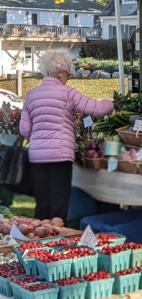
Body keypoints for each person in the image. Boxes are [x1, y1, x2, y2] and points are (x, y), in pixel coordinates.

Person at [19, 49, 113, 224]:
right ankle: (56, 243)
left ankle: (37, 245)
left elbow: (24, 130)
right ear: (61, 72)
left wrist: (41, 138)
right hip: (60, 157)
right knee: (58, 207)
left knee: (42, 206)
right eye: (69, 73)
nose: (69, 77)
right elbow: (97, 109)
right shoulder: (68, 93)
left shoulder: (31, 96)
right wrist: (112, 102)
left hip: (37, 157)